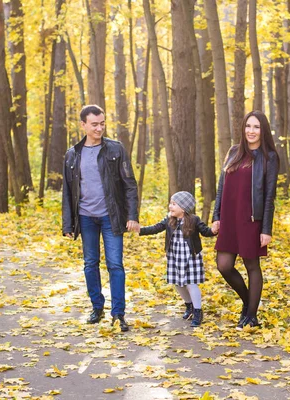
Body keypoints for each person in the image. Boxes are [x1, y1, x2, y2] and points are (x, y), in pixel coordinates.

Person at [62, 104, 139, 332]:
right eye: (94, 124)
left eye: (102, 123)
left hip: (110, 217)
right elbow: (67, 191)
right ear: (83, 125)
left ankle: (118, 315)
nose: (99, 128)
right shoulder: (72, 154)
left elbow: (130, 185)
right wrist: (68, 223)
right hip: (85, 218)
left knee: (115, 265)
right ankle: (97, 307)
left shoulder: (115, 149)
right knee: (90, 264)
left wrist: (132, 215)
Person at [212, 110, 279, 330]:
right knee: (224, 265)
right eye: (248, 126)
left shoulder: (269, 157)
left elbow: (269, 196)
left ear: (263, 130)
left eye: (256, 127)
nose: (251, 131)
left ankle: (251, 316)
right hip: (230, 218)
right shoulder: (233, 152)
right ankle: (248, 303)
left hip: (251, 219)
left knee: (252, 265)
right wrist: (216, 217)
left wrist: (266, 229)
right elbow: (221, 188)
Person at [138, 191, 217, 327]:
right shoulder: (169, 220)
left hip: (191, 257)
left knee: (191, 283)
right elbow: (156, 228)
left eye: (174, 204)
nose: (170, 206)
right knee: (178, 284)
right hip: (175, 257)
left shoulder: (194, 220)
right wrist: (140, 230)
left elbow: (206, 232)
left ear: (183, 207)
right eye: (170, 203)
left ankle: (198, 311)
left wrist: (214, 230)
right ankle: (189, 306)